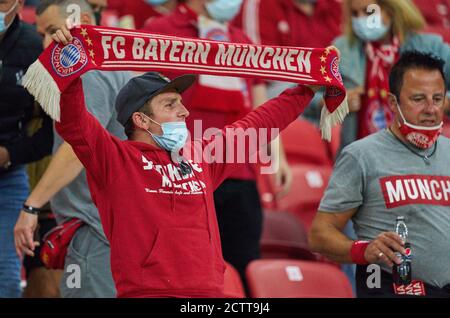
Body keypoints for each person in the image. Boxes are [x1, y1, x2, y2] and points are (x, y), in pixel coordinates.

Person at [17, 19, 328, 297]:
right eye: (171, 104)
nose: (185, 111)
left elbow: (259, 124)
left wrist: (306, 89)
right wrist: (70, 70)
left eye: (181, 102)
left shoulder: (201, 155)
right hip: (146, 293)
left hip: (208, 295)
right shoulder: (115, 158)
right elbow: (74, 123)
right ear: (140, 119)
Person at [143, 0, 293, 287]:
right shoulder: (161, 32)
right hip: (182, 175)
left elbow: (262, 106)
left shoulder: (240, 40)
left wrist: (278, 157)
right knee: (184, 273)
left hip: (239, 174)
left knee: (245, 268)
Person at [14, 0, 133, 298]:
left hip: (93, 229)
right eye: (41, 33)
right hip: (123, 228)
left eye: (53, 31)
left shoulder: (85, 72)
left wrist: (31, 206)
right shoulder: (125, 65)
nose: (45, 43)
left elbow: (76, 148)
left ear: (79, 22)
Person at [309, 51, 450, 298]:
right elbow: (320, 234)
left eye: (437, 99)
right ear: (393, 103)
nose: (430, 109)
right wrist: (363, 250)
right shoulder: (361, 155)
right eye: (418, 99)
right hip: (390, 288)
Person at [331, 0, 450, 151]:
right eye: (355, 14)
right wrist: (333, 100)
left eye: (368, 12)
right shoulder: (343, 50)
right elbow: (306, 94)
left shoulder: (429, 46)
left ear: (391, 9)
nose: (360, 19)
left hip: (417, 153)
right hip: (362, 156)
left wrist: (442, 103)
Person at [0, 0, 53, 298]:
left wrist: (11, 153)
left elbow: (52, 131)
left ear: (19, 3)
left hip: (8, 178)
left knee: (6, 280)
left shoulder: (35, 49)